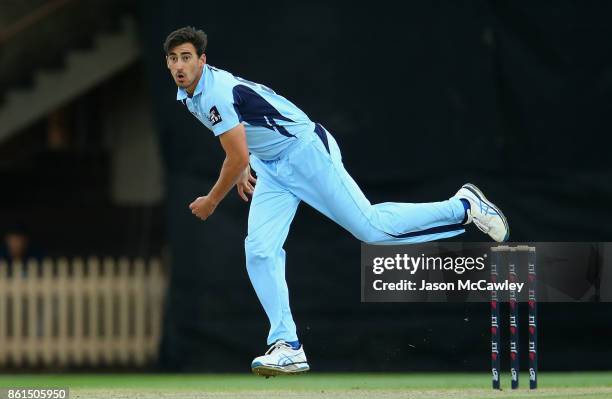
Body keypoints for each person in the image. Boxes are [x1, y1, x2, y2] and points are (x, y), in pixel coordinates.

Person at [163, 26, 509, 377]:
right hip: (272, 168)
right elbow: (241, 136)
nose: (180, 65)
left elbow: (235, 152)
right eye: (174, 59)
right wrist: (242, 164)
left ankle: (464, 207)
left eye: (187, 57)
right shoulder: (190, 95)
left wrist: (212, 199)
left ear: (202, 61)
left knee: (372, 230)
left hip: (306, 152)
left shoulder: (215, 91)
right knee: (260, 249)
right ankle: (289, 346)